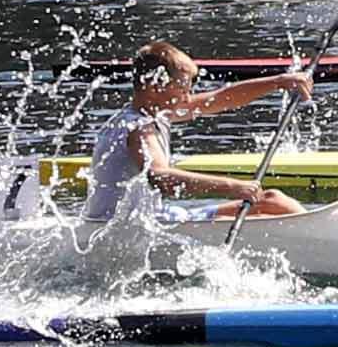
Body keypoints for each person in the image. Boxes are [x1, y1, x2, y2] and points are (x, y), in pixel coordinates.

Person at [80, 42, 312, 221]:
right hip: (129, 229)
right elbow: (162, 177)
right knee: (272, 202)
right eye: (182, 87)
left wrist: (280, 81)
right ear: (154, 85)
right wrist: (234, 187)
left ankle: (313, 227)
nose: (188, 95)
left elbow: (220, 98)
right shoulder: (140, 128)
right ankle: (320, 233)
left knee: (271, 200)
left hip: (145, 219)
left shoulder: (153, 112)